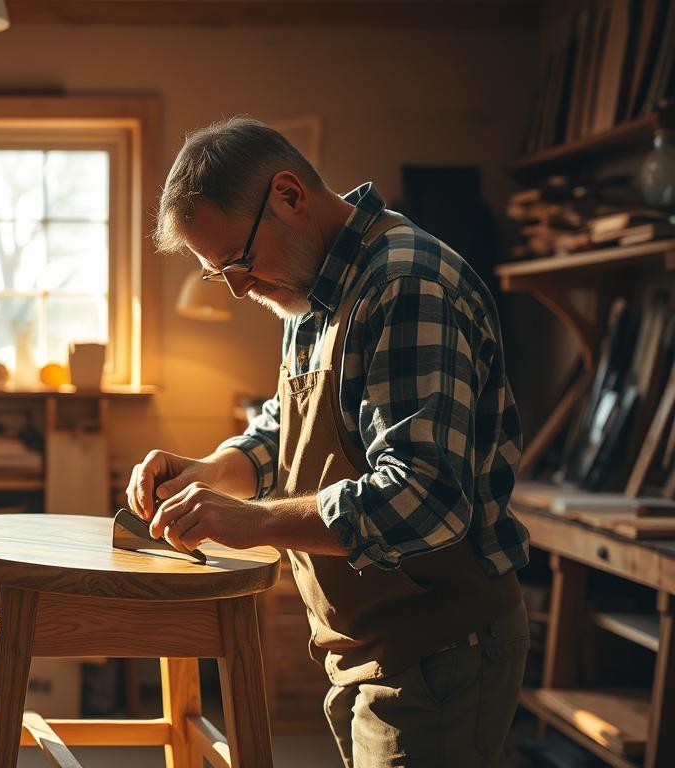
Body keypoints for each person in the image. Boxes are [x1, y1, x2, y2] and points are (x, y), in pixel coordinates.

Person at [126, 116, 531, 767]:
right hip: (366, 647)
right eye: (216, 272)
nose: (237, 287)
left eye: (238, 260)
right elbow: (291, 427)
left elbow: (424, 498)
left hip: (439, 653)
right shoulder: (314, 292)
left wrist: (254, 522)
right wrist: (211, 470)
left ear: (289, 195)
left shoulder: (405, 286)